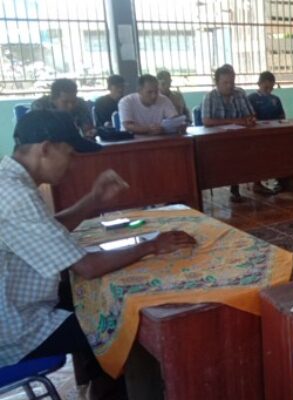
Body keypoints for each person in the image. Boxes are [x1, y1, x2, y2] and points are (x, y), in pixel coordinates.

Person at [0, 110, 197, 399]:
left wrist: (93, 200)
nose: (72, 165)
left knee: (96, 297)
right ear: (46, 148)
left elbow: (49, 231)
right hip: (18, 328)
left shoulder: (10, 181)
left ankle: (99, 383)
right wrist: (151, 245)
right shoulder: (17, 196)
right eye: (70, 154)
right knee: (126, 327)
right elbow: (88, 266)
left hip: (18, 307)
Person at [201, 64, 268, 200]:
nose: (229, 86)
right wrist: (235, 121)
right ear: (217, 83)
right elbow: (207, 121)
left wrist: (248, 120)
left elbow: (250, 115)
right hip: (217, 140)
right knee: (230, 154)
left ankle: (256, 183)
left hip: (239, 136)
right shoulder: (210, 97)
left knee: (256, 148)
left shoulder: (239, 94)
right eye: (225, 83)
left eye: (232, 82)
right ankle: (234, 186)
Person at [247, 71, 285, 194]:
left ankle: (281, 178)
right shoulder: (252, 98)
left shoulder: (276, 99)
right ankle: (257, 183)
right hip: (258, 134)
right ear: (259, 84)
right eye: (266, 87)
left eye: (271, 87)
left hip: (274, 132)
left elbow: (282, 116)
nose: (268, 90)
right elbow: (250, 117)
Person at [118, 74, 183, 135]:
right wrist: (148, 129)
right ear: (139, 91)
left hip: (157, 138)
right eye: (149, 92)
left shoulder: (163, 99)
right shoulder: (126, 102)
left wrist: (179, 125)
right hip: (132, 140)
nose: (154, 96)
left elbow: (174, 120)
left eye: (156, 91)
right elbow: (127, 125)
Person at [31, 78, 96, 138]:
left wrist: (89, 131)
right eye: (65, 102)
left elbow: (87, 126)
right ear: (53, 99)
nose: (70, 106)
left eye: (73, 101)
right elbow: (40, 133)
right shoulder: (40, 106)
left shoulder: (80, 103)